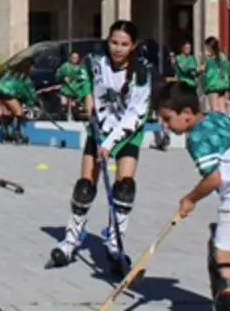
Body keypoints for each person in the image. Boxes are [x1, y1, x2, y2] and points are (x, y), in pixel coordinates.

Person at [46, 20, 153, 276]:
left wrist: (110, 144)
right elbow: (90, 91)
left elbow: (136, 114)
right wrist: (90, 108)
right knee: (85, 186)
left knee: (124, 187)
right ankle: (71, 240)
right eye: (114, 42)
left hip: (127, 133)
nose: (118, 48)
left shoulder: (141, 73)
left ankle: (115, 244)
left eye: (124, 44)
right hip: (99, 127)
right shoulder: (95, 62)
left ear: (133, 46)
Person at [157, 83, 230, 311]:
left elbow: (213, 179)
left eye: (168, 119)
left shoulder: (196, 139)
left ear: (187, 114)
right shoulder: (218, 117)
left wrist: (190, 199)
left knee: (221, 255)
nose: (166, 125)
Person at [0, 61, 38, 144]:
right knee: (19, 112)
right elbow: (26, 90)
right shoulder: (24, 77)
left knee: (7, 113)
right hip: (7, 92)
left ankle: (4, 134)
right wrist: (32, 100)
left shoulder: (10, 73)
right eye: (32, 67)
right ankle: (16, 133)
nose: (33, 69)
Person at [55, 49, 92, 121]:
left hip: (76, 89)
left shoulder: (80, 68)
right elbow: (57, 75)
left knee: (74, 105)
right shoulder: (65, 66)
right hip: (66, 89)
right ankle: (64, 115)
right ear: (70, 58)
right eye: (73, 57)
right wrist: (63, 77)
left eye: (76, 58)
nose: (75, 59)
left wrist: (77, 79)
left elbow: (84, 78)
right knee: (64, 103)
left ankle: (74, 115)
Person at [203, 37, 230, 112]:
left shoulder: (210, 60)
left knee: (215, 110)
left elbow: (209, 74)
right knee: (222, 110)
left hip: (213, 86)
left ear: (209, 47)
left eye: (206, 47)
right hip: (223, 86)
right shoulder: (223, 57)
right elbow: (229, 70)